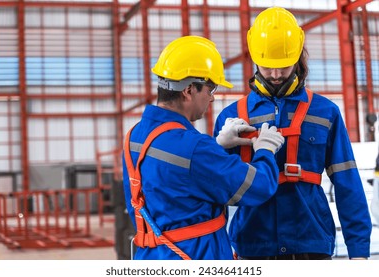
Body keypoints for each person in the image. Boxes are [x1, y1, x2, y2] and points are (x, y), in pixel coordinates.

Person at [214, 7, 372, 260]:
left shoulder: (325, 112)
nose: (275, 75)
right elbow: (214, 189)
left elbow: (347, 183)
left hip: (311, 243)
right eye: (267, 67)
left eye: (283, 67)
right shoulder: (232, 118)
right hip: (252, 246)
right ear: (254, 59)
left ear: (297, 57)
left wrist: (359, 252)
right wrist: (218, 148)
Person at [122, 35, 284, 260]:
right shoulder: (195, 148)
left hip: (151, 257)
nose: (212, 99)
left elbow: (171, 182)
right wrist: (265, 150)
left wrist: (216, 147)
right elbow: (259, 186)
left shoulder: (134, 137)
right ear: (189, 90)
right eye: (210, 90)